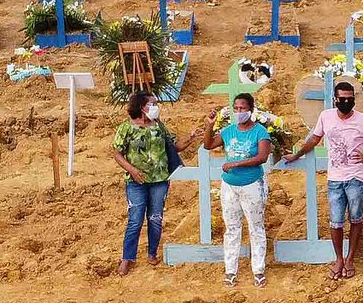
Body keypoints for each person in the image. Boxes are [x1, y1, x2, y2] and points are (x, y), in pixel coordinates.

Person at [286, 77, 363, 280]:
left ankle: (350, 258)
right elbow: (314, 139)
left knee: (356, 218)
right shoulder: (326, 117)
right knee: (335, 221)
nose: (346, 102)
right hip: (334, 179)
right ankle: (339, 258)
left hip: (356, 178)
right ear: (335, 100)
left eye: (349, 99)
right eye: (342, 99)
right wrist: (297, 154)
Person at [190, 93, 272, 289]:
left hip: (252, 184)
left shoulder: (260, 132)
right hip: (229, 186)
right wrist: (210, 124)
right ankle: (230, 270)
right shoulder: (228, 131)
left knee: (256, 227)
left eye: (242, 108)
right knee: (232, 227)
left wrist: (236, 163)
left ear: (251, 110)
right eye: (235, 108)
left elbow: (262, 157)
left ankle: (258, 270)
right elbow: (208, 145)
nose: (238, 112)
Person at [110, 89, 180, 275]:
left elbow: (173, 147)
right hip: (136, 181)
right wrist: (132, 170)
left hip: (159, 180)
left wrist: (191, 138)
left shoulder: (159, 126)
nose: (156, 107)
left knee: (155, 218)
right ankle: (127, 257)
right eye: (152, 103)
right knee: (135, 219)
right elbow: (117, 153)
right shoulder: (126, 128)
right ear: (142, 107)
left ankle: (152, 253)